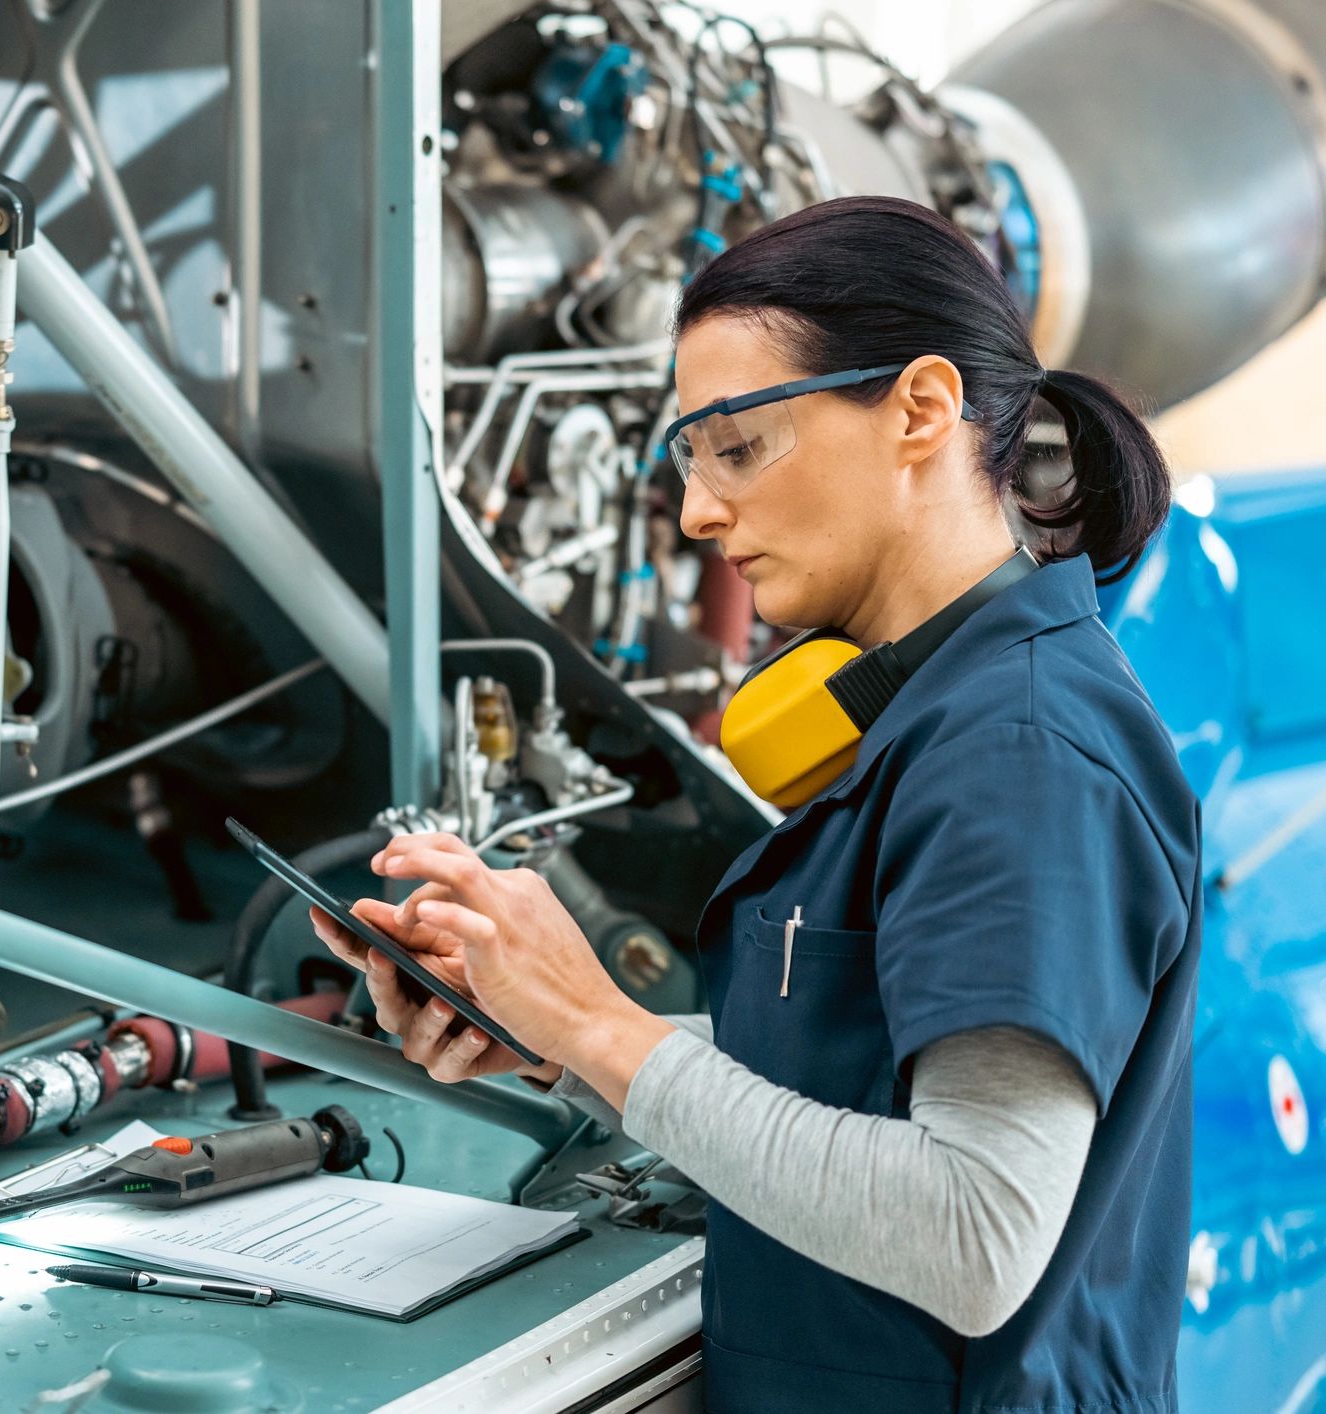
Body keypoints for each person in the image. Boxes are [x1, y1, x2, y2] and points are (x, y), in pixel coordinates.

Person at [313, 196, 1201, 1413]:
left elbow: (977, 1228)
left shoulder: (1023, 749)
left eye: (738, 446)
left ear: (922, 410)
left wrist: (598, 1030)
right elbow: (850, 1076)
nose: (699, 513)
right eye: (689, 458)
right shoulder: (933, 712)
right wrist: (548, 1033)